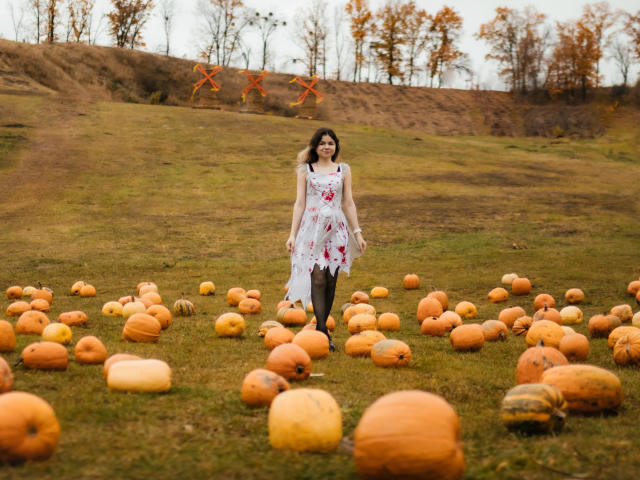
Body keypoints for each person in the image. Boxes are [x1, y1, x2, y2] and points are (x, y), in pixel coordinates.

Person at [285, 127, 367, 352]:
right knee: (318, 276)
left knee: (331, 279)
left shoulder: (343, 170)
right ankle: (322, 331)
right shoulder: (306, 170)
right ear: (315, 146)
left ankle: (322, 327)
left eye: (330, 143)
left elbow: (348, 203)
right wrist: (292, 234)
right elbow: (299, 203)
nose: (326, 147)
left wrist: (357, 232)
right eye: (322, 143)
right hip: (312, 230)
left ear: (336, 146)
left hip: (336, 230)